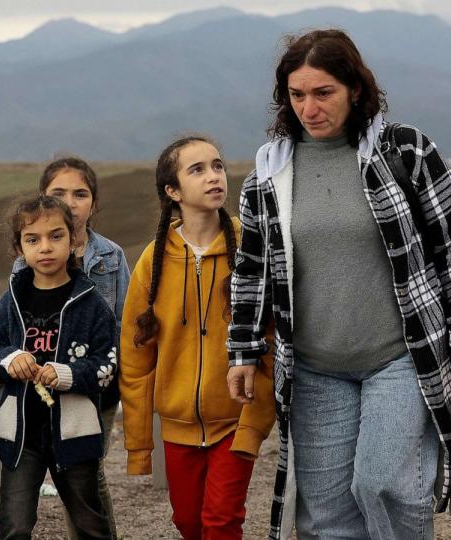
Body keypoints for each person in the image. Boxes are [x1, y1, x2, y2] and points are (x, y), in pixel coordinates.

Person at [225, 29, 451, 539]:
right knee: (325, 514)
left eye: (322, 93)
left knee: (385, 484)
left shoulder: (405, 152)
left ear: (354, 88)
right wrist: (241, 350)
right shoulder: (269, 174)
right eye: (297, 95)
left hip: (399, 356)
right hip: (314, 368)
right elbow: (251, 270)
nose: (309, 107)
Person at [119, 135, 275, 539]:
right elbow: (135, 359)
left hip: (236, 419)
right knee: (188, 523)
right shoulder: (153, 261)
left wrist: (258, 417)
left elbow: (274, 338)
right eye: (198, 169)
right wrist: (139, 446)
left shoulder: (251, 247)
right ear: (172, 191)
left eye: (218, 166)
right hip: (176, 425)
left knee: (221, 522)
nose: (214, 177)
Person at [0, 195, 118, 539]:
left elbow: (107, 365)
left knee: (90, 523)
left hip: (74, 433)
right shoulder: (12, 299)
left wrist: (67, 374)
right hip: (21, 434)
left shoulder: (92, 303)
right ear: (19, 249)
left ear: (73, 241)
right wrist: (11, 359)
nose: (45, 247)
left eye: (56, 236)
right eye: (33, 240)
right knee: (14, 526)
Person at [13, 156, 130, 538]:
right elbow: (14, 321)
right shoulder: (25, 262)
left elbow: (123, 323)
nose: (71, 200)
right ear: (43, 199)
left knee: (86, 474)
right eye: (58, 192)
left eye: (81, 194)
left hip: (95, 389)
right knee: (52, 478)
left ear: (94, 204)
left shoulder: (111, 257)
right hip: (40, 390)